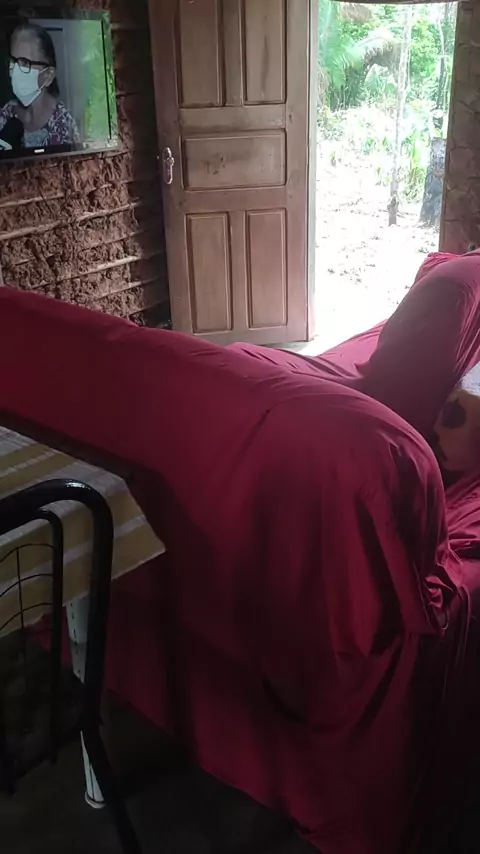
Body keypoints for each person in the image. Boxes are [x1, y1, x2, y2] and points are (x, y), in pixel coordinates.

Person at [0, 21, 79, 150]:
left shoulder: (64, 126)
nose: (15, 71)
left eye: (25, 63)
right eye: (13, 61)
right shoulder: (6, 113)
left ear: (48, 75)